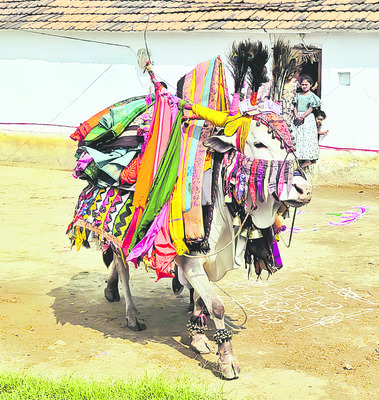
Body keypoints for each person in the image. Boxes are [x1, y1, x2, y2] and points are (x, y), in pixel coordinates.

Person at [292, 74, 322, 168]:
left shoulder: (312, 96)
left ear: (310, 85)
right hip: (298, 117)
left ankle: (308, 159)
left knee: (307, 137)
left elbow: (311, 108)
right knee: (298, 136)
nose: (304, 86)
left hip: (307, 118)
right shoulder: (298, 95)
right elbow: (295, 106)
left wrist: (303, 116)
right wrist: (296, 115)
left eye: (306, 84)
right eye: (303, 84)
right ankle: (298, 157)